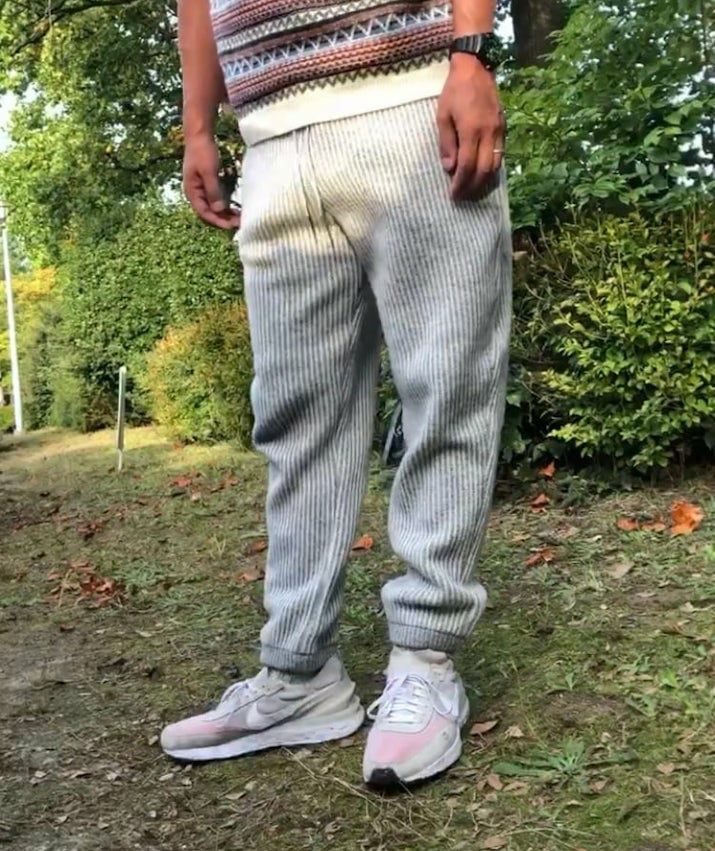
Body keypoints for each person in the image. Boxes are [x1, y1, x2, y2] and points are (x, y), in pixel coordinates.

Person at [160, 0, 511, 787]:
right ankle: (299, 673)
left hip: (412, 98)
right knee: (294, 419)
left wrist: (471, 51)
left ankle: (425, 659)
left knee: (447, 389)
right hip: (271, 139)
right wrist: (197, 126)